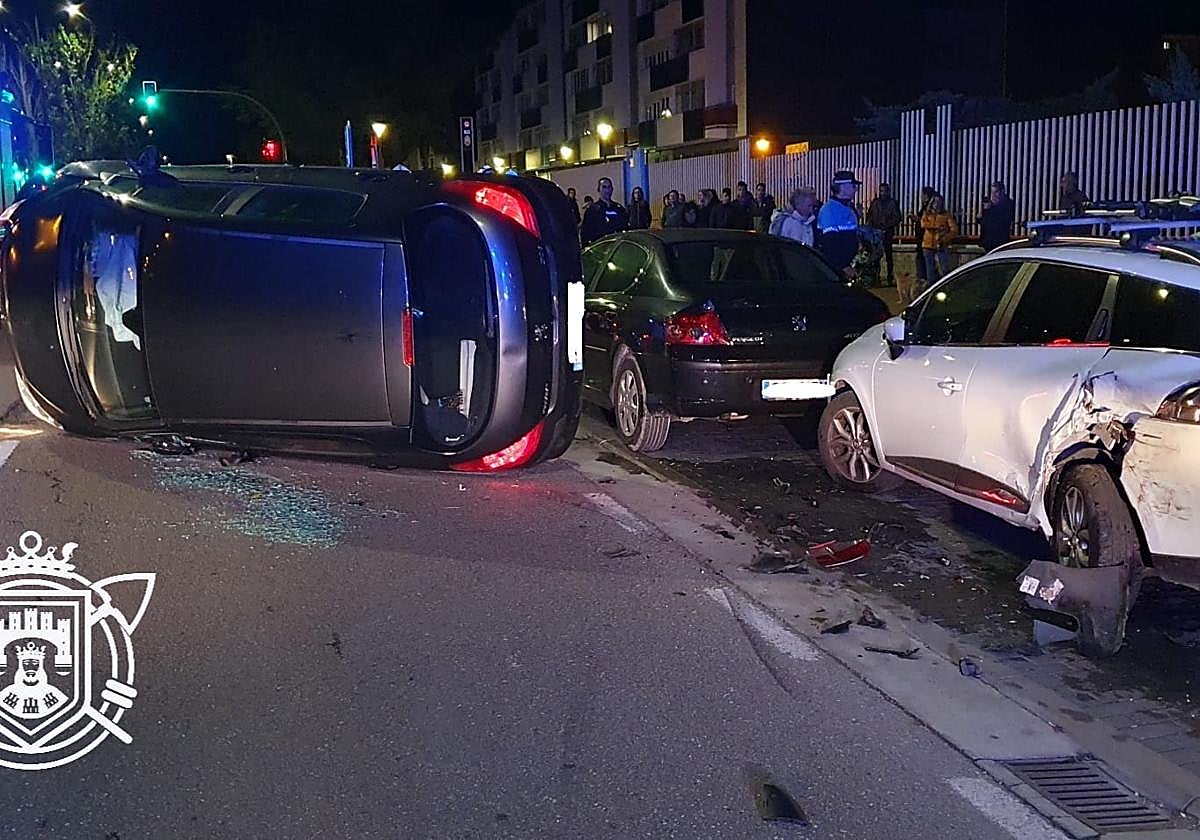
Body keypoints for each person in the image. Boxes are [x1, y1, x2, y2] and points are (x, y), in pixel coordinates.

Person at [817, 170, 862, 277]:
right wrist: (843, 266)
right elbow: (830, 244)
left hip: (846, 268)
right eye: (853, 186)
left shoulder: (849, 208)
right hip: (835, 270)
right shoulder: (829, 210)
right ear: (843, 187)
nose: (856, 189)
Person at [865, 182, 902, 285]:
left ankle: (889, 277)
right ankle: (876, 277)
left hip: (887, 233)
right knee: (876, 256)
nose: (883, 193)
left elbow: (897, 217)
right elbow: (870, 216)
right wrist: (871, 227)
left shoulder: (892, 203)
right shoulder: (875, 203)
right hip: (876, 233)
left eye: (885, 191)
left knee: (888, 256)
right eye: (881, 191)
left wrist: (886, 226)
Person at [920, 193, 958, 287]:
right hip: (928, 245)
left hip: (941, 244)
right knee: (930, 270)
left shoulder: (946, 215)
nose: (937, 204)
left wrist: (944, 238)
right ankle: (931, 289)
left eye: (939, 202)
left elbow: (954, 230)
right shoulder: (927, 213)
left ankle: (945, 287)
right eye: (935, 202)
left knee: (944, 268)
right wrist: (937, 227)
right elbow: (923, 224)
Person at [579, 177, 628, 245]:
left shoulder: (619, 209)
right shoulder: (592, 210)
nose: (607, 190)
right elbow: (585, 233)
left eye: (609, 187)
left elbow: (625, 229)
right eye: (604, 187)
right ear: (599, 189)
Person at [978, 181, 1015, 252]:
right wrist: (983, 214)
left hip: (1000, 242)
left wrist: (992, 209)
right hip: (987, 242)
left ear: (1002, 191)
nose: (994, 195)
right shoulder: (989, 204)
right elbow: (983, 222)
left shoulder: (1008, 204)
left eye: (996, 192)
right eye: (992, 192)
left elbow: (1002, 221)